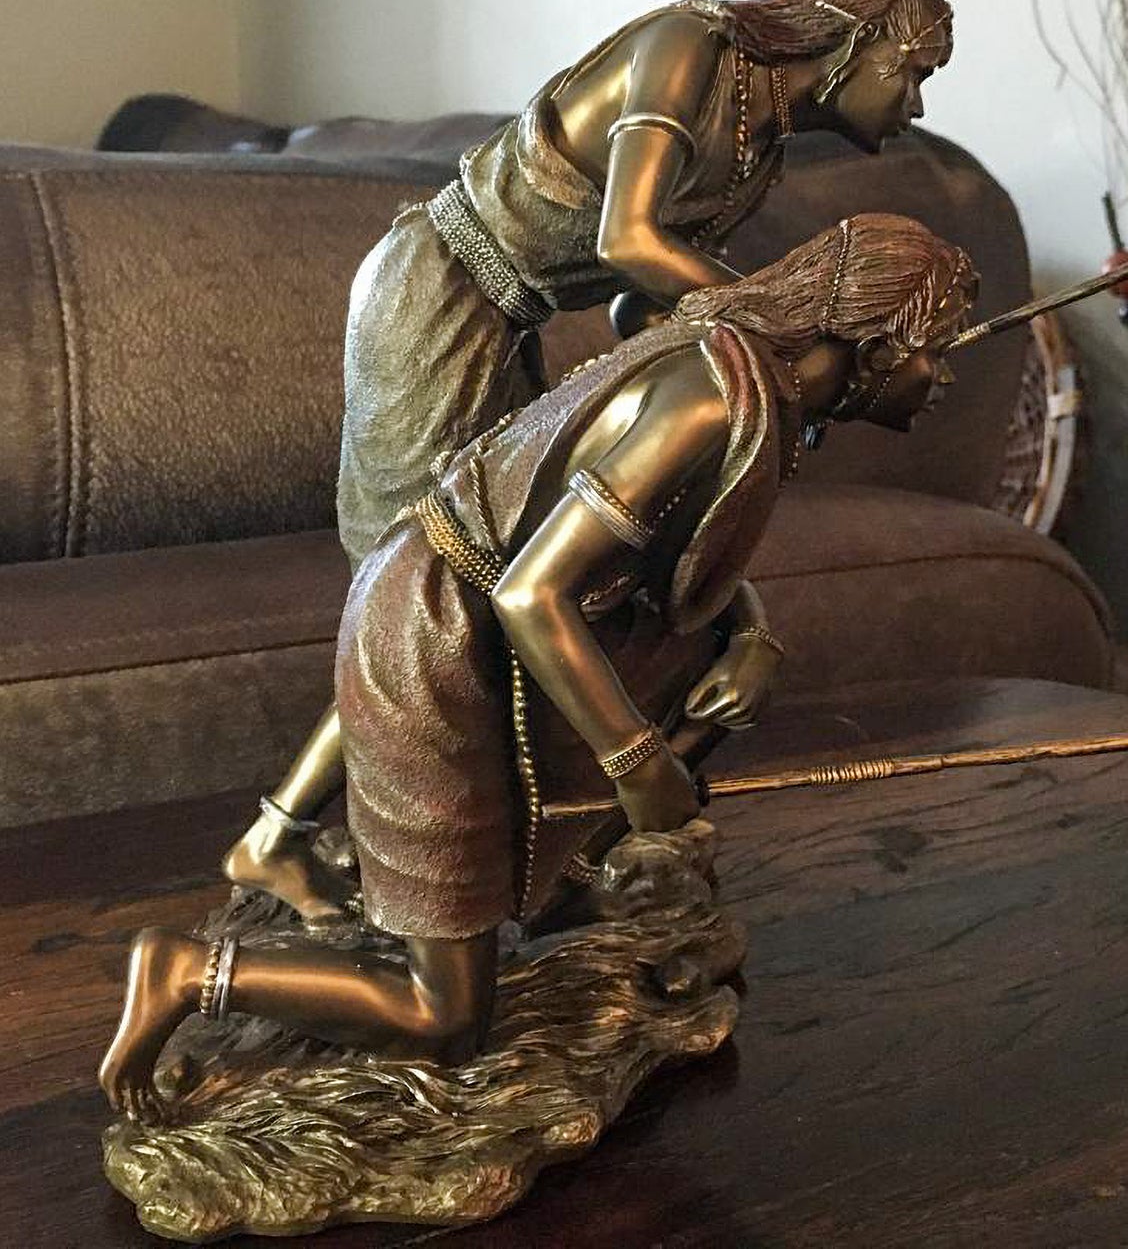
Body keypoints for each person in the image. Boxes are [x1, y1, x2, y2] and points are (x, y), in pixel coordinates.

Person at [100, 214, 978, 1120]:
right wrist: (638, 762)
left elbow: (677, 572)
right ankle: (187, 974)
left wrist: (750, 638)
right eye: (939, 349)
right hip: (439, 638)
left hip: (489, 624)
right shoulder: (709, 406)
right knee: (446, 1019)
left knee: (716, 670)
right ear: (878, 344)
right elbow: (529, 594)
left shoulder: (740, 376)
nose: (945, 376)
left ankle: (557, 883)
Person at [224, 0, 956, 919]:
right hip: (436, 296)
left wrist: (706, 355)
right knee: (427, 594)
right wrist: (777, 321)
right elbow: (628, 240)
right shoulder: (692, 49)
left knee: (484, 584)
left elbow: (636, 306)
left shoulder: (761, 150)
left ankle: (441, 861)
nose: (915, 105)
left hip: (506, 325)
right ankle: (281, 842)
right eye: (913, 72)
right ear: (856, 39)